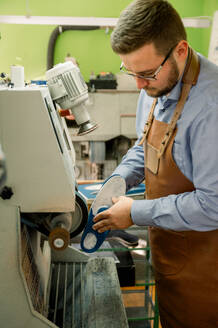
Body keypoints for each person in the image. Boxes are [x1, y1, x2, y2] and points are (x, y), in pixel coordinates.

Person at [92, 0, 218, 327]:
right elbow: (145, 144)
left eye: (146, 74)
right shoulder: (155, 79)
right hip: (172, 257)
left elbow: (213, 204)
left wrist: (134, 212)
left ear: (180, 50)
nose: (138, 85)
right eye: (131, 72)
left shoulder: (211, 109)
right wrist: (119, 179)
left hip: (206, 274)